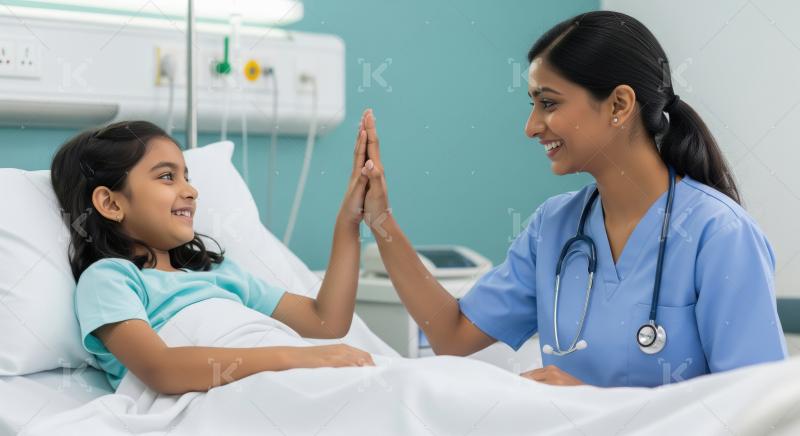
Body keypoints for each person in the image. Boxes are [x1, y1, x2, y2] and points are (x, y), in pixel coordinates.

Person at [356, 11, 788, 387]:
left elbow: (751, 409)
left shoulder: (720, 235)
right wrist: (381, 221)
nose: (531, 126)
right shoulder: (554, 226)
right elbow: (452, 333)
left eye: (548, 103)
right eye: (532, 104)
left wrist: (596, 407)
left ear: (619, 104)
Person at [51, 119, 378, 394]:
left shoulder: (220, 273)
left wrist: (349, 222)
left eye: (187, 177)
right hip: (227, 393)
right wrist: (297, 358)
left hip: (290, 377)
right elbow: (160, 370)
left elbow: (327, 321)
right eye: (167, 176)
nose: (190, 191)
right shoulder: (110, 279)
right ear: (110, 203)